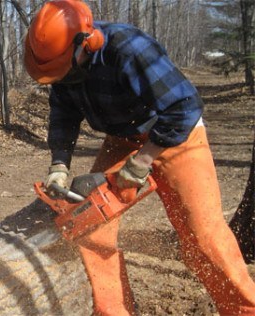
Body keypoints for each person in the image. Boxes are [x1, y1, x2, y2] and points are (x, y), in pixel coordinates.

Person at [23, 0, 255, 315]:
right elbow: (63, 113)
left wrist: (144, 160)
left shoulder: (129, 48)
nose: (61, 77)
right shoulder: (64, 68)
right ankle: (114, 311)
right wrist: (59, 164)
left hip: (177, 134)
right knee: (89, 226)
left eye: (63, 68)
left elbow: (184, 107)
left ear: (85, 43)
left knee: (202, 237)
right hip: (122, 139)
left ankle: (245, 308)